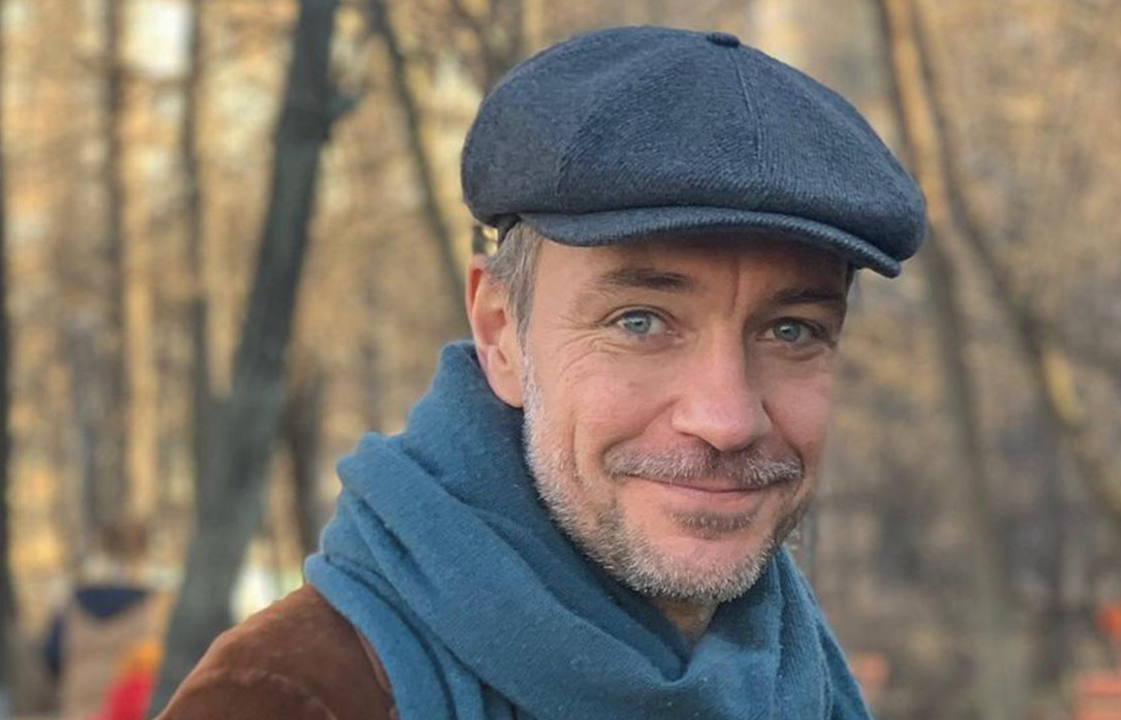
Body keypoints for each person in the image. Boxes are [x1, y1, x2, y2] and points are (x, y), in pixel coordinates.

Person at [157, 25, 925, 720]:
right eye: (639, 322)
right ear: (501, 333)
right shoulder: (295, 695)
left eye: (791, 331)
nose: (727, 419)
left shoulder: (795, 678)